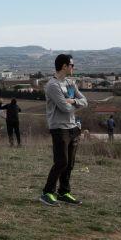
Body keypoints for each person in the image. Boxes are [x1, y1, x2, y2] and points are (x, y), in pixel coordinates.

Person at [40, 54, 87, 207]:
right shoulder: (52, 85)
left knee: (70, 163)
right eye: (72, 65)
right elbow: (64, 108)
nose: (73, 68)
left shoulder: (70, 83)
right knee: (61, 162)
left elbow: (85, 102)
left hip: (73, 127)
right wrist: (75, 104)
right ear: (64, 66)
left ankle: (63, 192)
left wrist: (73, 100)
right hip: (59, 128)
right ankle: (47, 192)